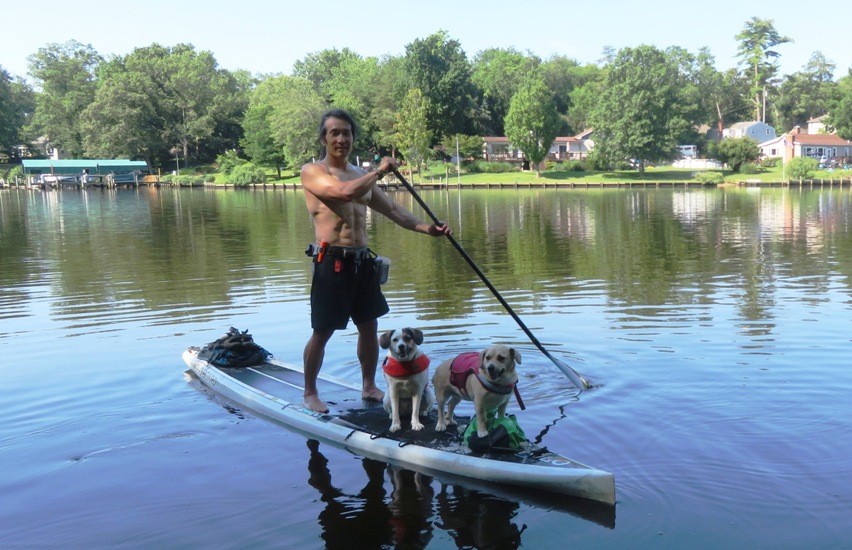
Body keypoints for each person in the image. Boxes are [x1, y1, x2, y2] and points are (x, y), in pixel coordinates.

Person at [300, 109, 451, 413]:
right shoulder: (314, 172)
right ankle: (310, 393)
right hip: (332, 261)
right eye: (335, 133)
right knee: (323, 330)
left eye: (347, 132)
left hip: (362, 263)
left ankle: (368, 385)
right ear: (323, 138)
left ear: (353, 137)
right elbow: (343, 194)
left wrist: (426, 229)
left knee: (369, 327)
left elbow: (393, 211)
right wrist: (380, 171)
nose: (342, 138)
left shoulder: (360, 175)